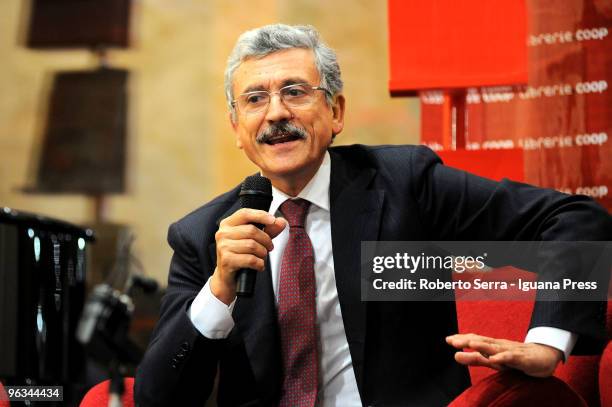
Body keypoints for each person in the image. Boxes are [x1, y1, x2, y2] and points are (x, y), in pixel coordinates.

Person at [135, 24, 611, 406]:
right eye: (255, 100)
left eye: (295, 92)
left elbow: (575, 219)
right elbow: (159, 398)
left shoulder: (404, 184)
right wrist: (218, 289)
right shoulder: (205, 235)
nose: (276, 113)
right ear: (238, 128)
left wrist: (548, 341)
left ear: (335, 111)